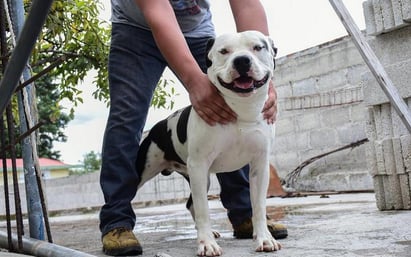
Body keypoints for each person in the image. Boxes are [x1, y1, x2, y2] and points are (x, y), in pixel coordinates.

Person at [99, 0, 288, 256]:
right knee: (126, 116)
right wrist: (193, 81)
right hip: (135, 29)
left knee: (229, 109)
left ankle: (246, 215)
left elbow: (247, 5)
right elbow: (157, 10)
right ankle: (116, 222)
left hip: (196, 29)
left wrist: (263, 72)